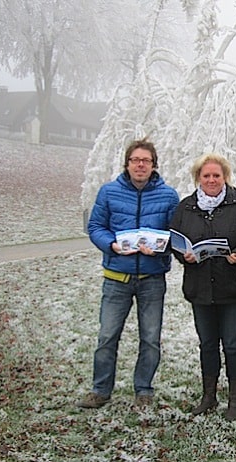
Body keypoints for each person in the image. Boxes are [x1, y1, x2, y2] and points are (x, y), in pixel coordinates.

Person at [77, 138, 179, 409]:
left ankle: (144, 389)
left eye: (146, 160)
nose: (140, 165)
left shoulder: (168, 196)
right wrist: (110, 244)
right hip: (116, 278)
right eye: (136, 160)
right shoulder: (109, 192)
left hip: (152, 278)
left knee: (150, 338)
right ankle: (101, 390)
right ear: (127, 163)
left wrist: (159, 249)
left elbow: (176, 235)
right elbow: (96, 226)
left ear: (154, 165)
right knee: (107, 336)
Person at [169, 153, 236, 421]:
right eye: (206, 176)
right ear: (198, 178)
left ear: (225, 177)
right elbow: (174, 238)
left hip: (232, 287)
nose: (211, 180)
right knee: (207, 344)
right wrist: (183, 255)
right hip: (200, 287)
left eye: (216, 175)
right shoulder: (186, 207)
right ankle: (208, 396)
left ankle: (235, 400)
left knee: (232, 344)